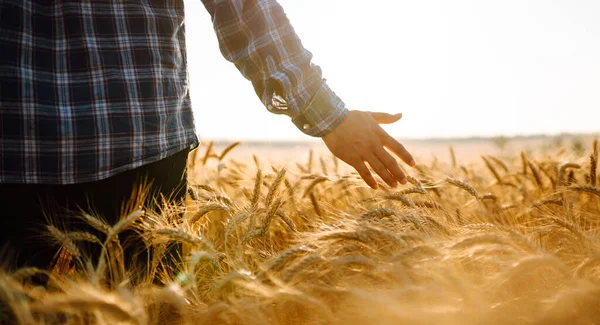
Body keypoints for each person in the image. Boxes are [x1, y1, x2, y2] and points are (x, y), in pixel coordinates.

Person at [0, 0, 415, 272]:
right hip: (137, 139)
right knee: (150, 312)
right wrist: (327, 112)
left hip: (21, 139)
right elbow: (242, 9)